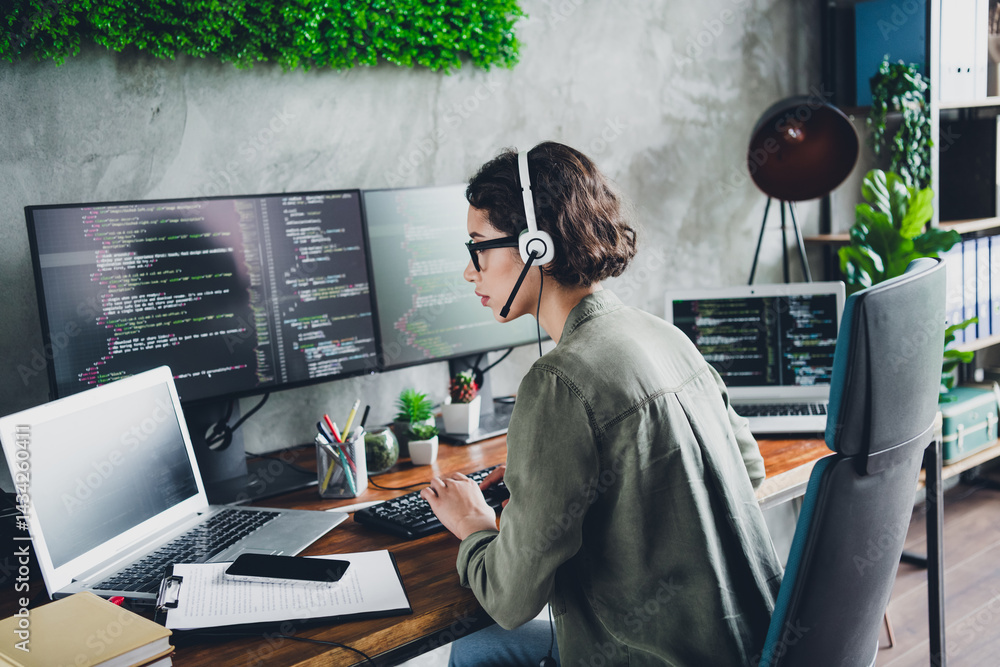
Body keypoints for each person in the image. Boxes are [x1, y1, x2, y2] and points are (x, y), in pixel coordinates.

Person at [421, 141, 783, 666]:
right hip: (753, 647)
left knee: (474, 650)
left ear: (536, 247)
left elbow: (510, 598)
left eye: (479, 245)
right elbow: (749, 469)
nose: (469, 269)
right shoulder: (666, 335)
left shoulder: (557, 382)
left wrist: (474, 523)